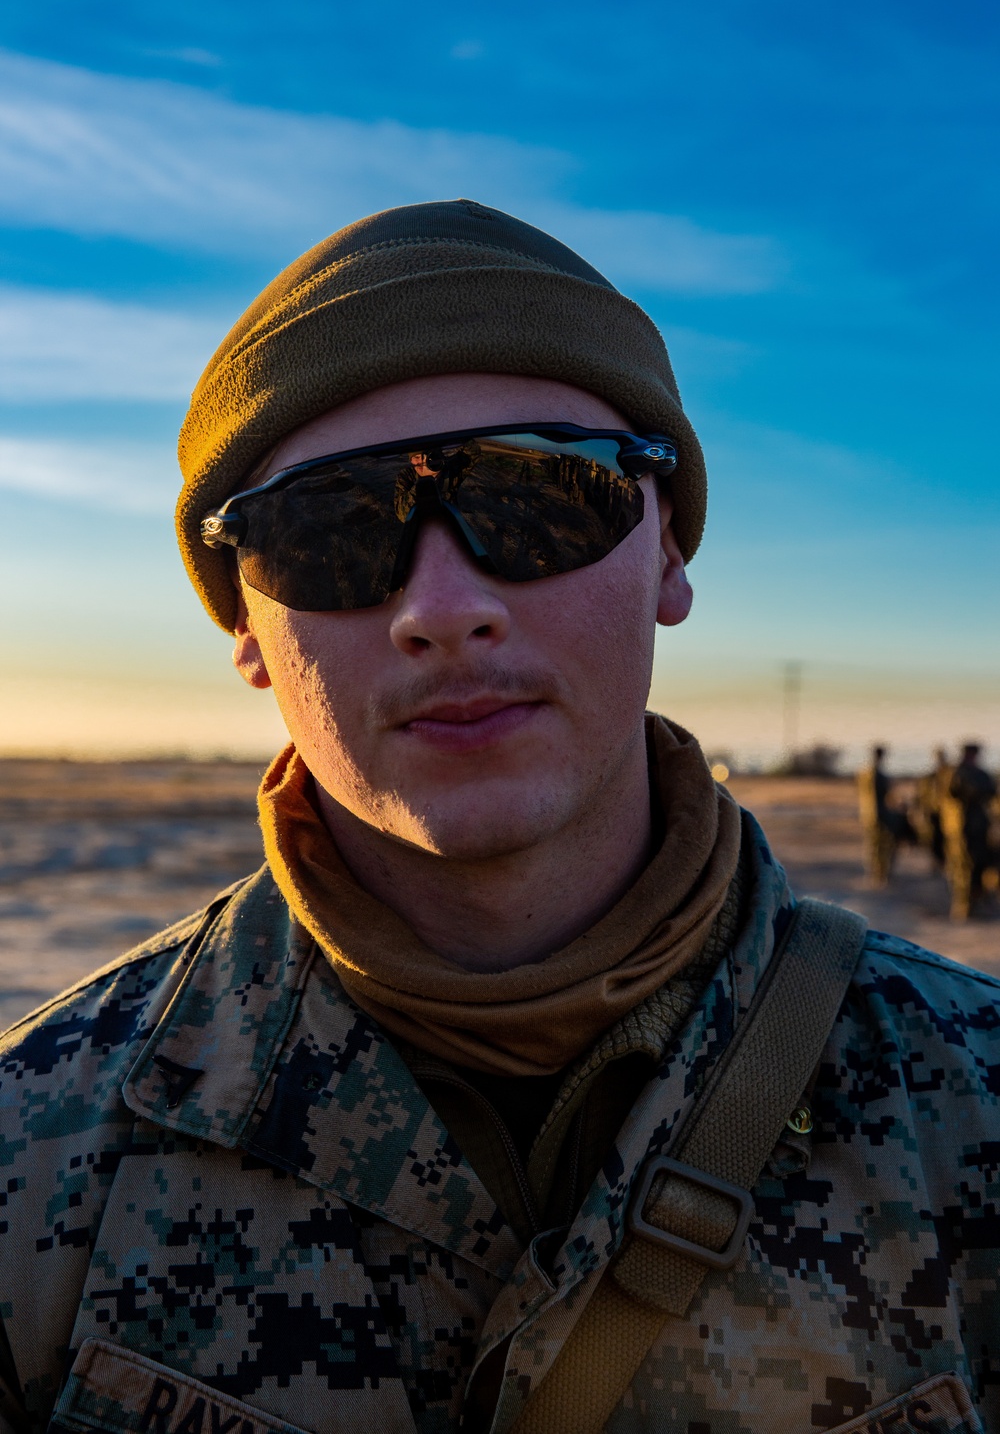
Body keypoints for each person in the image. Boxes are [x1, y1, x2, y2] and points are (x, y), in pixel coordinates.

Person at [0, 201, 998, 1434]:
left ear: (669, 554)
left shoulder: (968, 1101)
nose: (446, 604)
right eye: (331, 528)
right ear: (248, 631)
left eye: (541, 494)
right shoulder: (38, 1147)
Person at [942, 741, 998, 920]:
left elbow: (991, 792)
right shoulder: (956, 773)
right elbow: (951, 794)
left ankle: (974, 902)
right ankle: (963, 906)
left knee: (978, 865)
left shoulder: (980, 774)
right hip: (961, 829)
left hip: (979, 828)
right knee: (962, 866)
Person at [856, 743, 914, 886]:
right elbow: (886, 796)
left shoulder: (863, 773)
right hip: (881, 815)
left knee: (873, 845)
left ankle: (876, 873)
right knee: (886, 845)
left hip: (867, 815)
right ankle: (883, 874)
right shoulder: (878, 774)